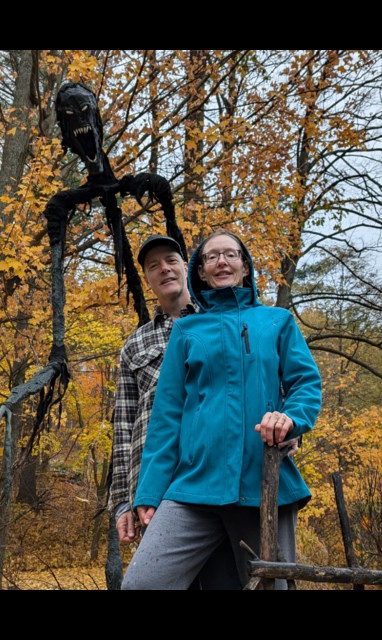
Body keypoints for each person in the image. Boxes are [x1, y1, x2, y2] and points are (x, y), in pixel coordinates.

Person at [121, 230, 322, 590]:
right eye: (212, 257)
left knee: (270, 586)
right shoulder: (186, 330)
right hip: (194, 487)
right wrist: (148, 493)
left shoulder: (277, 322)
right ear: (200, 271)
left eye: (230, 254)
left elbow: (305, 385)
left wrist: (291, 419)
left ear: (245, 266)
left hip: (262, 483)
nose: (222, 262)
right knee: (141, 583)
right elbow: (166, 418)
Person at [109, 233, 239, 589]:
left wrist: (290, 435)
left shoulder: (224, 322)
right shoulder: (134, 345)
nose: (163, 269)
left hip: (217, 478)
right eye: (153, 266)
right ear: (147, 280)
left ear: (187, 267)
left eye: (171, 260)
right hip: (158, 489)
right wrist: (123, 501)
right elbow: (123, 429)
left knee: (224, 580)